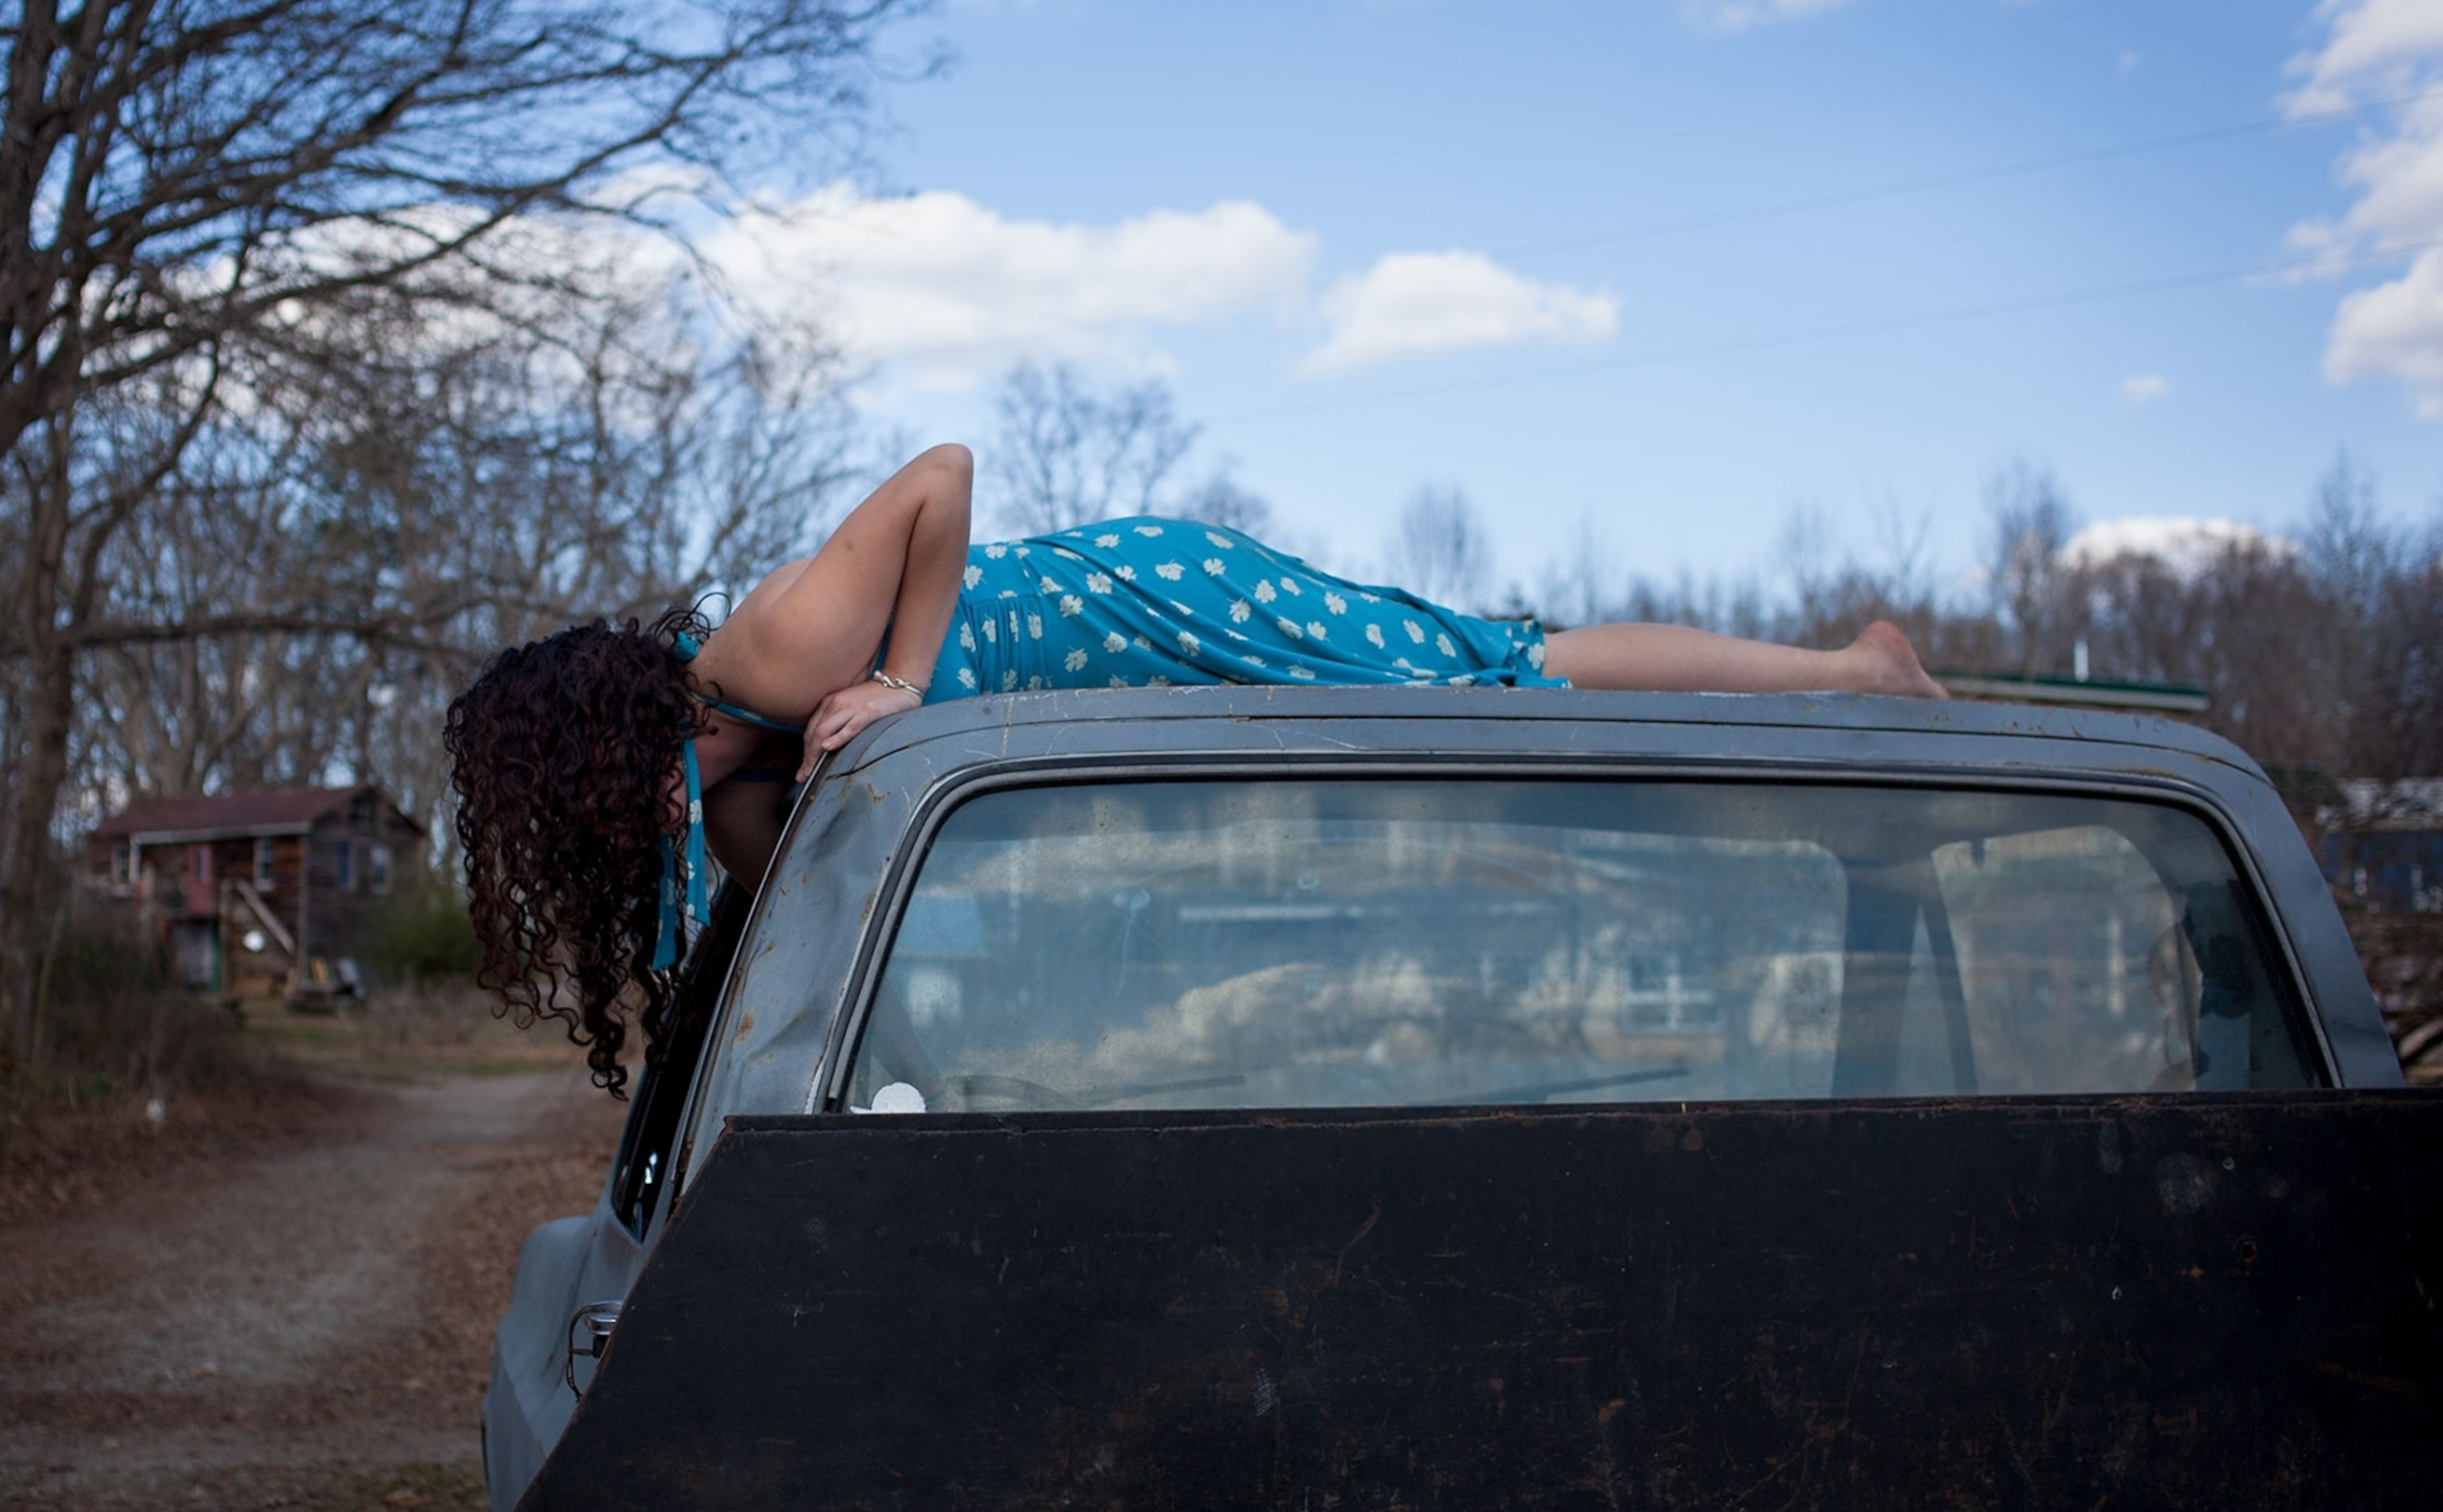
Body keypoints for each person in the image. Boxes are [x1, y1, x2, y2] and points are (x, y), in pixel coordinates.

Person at [446, 442, 1945, 1089]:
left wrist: (900, 676)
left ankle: (1851, 672)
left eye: (591, 795)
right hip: (1110, 670)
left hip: (1140, 600)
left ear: (620, 733)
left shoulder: (767, 656)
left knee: (1485, 666)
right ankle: (1841, 672)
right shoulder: (721, 794)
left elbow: (942, 478)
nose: (613, 825)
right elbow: (805, 959)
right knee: (1478, 662)